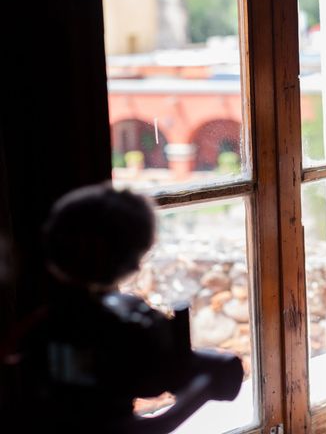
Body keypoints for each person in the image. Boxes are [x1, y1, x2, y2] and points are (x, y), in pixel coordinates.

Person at [7, 184, 242, 432]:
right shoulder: (119, 328)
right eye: (138, 257)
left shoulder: (49, 320)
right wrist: (203, 389)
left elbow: (13, 350)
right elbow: (146, 411)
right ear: (126, 260)